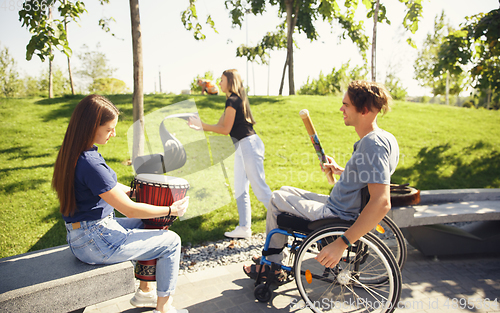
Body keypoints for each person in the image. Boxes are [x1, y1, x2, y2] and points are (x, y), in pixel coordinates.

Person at [243, 80, 399, 277]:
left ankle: (272, 263)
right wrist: (340, 170)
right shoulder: (384, 138)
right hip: (342, 204)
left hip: (338, 213)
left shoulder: (372, 144)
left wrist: (342, 242)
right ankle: (272, 254)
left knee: (275, 198)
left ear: (364, 109)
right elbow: (370, 178)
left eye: (346, 105)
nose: (341, 108)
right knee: (285, 190)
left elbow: (382, 201)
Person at [52, 95, 190, 313]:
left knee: (148, 223)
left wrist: (136, 191)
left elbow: (109, 189)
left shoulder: (75, 153)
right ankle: (164, 308)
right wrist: (171, 209)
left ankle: (145, 293)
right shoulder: (91, 164)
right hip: (95, 241)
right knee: (171, 241)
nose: (113, 134)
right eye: (109, 129)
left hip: (83, 235)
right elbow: (128, 208)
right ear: (91, 126)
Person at [188, 69, 272, 239]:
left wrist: (201, 124)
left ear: (230, 82)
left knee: (260, 189)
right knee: (240, 189)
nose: (219, 83)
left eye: (222, 80)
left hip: (249, 145)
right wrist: (200, 125)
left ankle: (285, 220)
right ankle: (244, 228)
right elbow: (220, 126)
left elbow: (225, 130)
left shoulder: (233, 100)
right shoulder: (232, 101)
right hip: (242, 147)